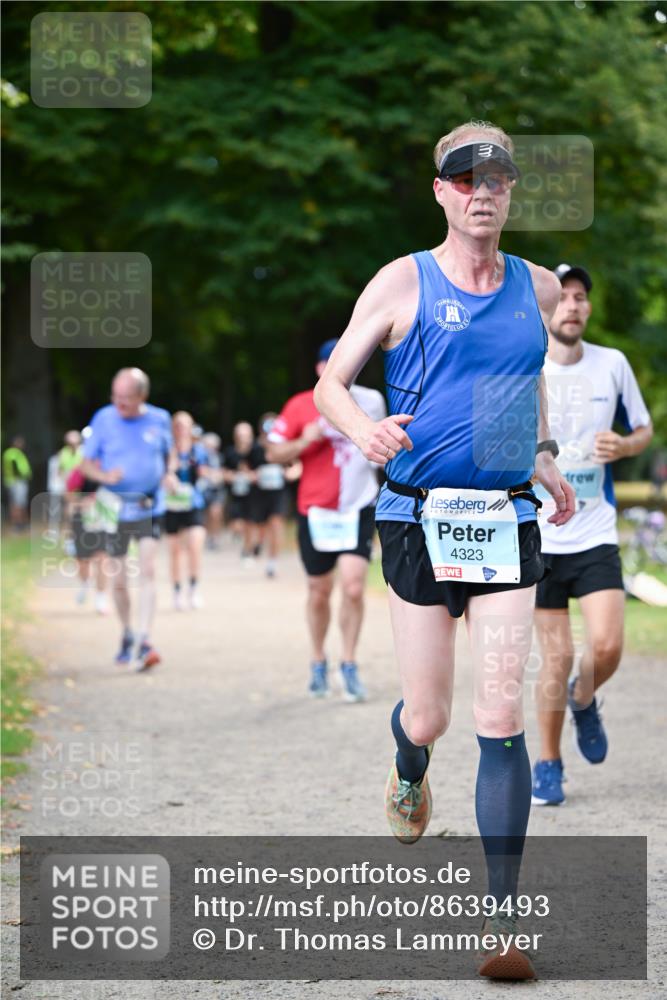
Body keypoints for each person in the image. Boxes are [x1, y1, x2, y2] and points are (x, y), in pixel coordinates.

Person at [314, 122, 575, 979]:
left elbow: (525, 374)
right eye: (464, 179)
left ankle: (500, 922)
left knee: (497, 716)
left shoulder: (535, 287)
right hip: (416, 516)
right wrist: (362, 429)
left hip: (502, 518)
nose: (481, 191)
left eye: (495, 177)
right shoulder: (403, 279)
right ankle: (406, 763)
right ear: (440, 192)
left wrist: (540, 454)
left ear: (509, 191)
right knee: (426, 717)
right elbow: (331, 381)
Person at [531, 264, 652, 806]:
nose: (573, 306)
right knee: (554, 658)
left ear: (589, 308)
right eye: (563, 298)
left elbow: (644, 429)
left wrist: (624, 447)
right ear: (547, 310)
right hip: (537, 537)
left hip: (595, 530)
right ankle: (549, 763)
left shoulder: (613, 364)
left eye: (581, 297)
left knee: (606, 647)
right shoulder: (523, 364)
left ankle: (584, 699)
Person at [267, 338, 387, 702]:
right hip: (315, 510)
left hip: (358, 504)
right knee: (319, 591)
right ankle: (318, 658)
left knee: (353, 587)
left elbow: (384, 452)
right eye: (330, 361)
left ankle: (348, 663)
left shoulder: (371, 401)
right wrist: (305, 441)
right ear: (321, 368)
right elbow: (273, 453)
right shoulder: (302, 404)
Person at [79, 368, 171, 671]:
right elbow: (85, 465)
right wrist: (104, 475)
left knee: (147, 569)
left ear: (142, 396)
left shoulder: (160, 419)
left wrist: (169, 473)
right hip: (115, 506)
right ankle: (128, 633)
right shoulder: (103, 418)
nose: (120, 404)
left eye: (127, 399)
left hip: (148, 505)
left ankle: (145, 640)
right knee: (119, 580)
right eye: (116, 397)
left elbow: (170, 455)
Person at [164, 411, 210, 610]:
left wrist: (204, 473)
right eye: (178, 425)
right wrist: (169, 470)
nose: (181, 429)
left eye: (185, 425)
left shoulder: (198, 451)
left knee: (194, 545)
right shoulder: (166, 450)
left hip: (193, 504)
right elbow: (159, 474)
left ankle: (194, 588)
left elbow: (206, 472)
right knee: (175, 551)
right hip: (172, 506)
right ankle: (176, 591)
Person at [252, 412, 300, 578]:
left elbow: (296, 466)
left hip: (279, 493)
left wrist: (291, 473)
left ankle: (272, 562)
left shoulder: (285, 447)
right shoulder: (256, 448)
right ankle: (258, 543)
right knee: (261, 527)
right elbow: (246, 469)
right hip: (260, 493)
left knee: (276, 524)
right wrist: (252, 475)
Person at [223, 422, 263, 566]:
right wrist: (233, 476)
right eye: (240, 435)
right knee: (237, 523)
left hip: (253, 493)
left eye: (245, 435)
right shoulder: (230, 452)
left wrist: (250, 475)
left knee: (251, 523)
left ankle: (248, 549)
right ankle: (249, 544)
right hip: (236, 494)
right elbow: (225, 471)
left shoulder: (257, 450)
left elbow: (261, 471)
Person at [201, 433, 225, 551]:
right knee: (205, 515)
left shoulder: (220, 458)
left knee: (216, 513)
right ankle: (206, 536)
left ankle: (215, 536)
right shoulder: (200, 457)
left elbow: (226, 471)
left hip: (217, 490)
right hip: (204, 489)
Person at [2, 435, 32, 531]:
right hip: (16, 481)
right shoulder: (12, 453)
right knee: (17, 504)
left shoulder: (16, 453)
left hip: (16, 481)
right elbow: (15, 467)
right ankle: (18, 524)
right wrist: (23, 475)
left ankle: (22, 523)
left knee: (19, 503)